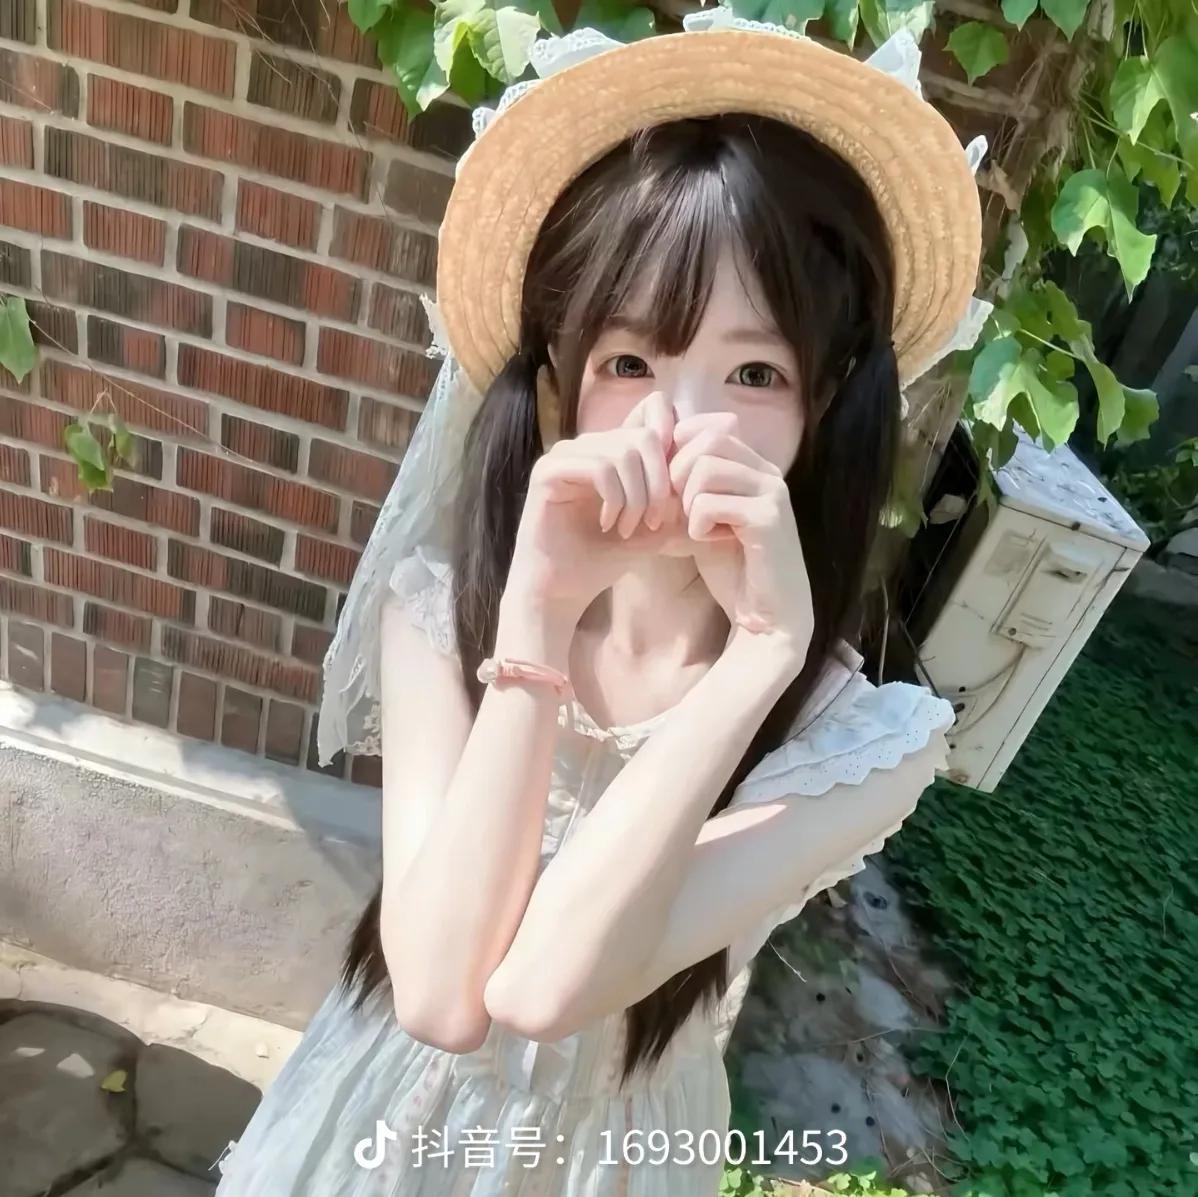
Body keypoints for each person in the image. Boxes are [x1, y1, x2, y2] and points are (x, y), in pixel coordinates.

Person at [212, 8, 992, 1195]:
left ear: (826, 401)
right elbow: (441, 999)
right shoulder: (439, 616)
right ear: (558, 386)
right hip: (378, 1120)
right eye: (630, 363)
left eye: (753, 372)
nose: (680, 427)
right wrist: (532, 625)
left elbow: (544, 990)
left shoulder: (861, 744)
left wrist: (761, 657)